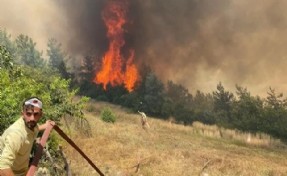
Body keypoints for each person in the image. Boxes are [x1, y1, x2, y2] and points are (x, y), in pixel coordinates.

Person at [0, 97, 51, 176]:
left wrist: (47, 125)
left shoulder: (31, 126)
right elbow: (3, 168)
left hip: (22, 171)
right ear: (22, 114)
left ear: (41, 115)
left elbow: (37, 128)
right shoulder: (16, 135)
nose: (32, 118)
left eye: (36, 114)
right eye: (28, 114)